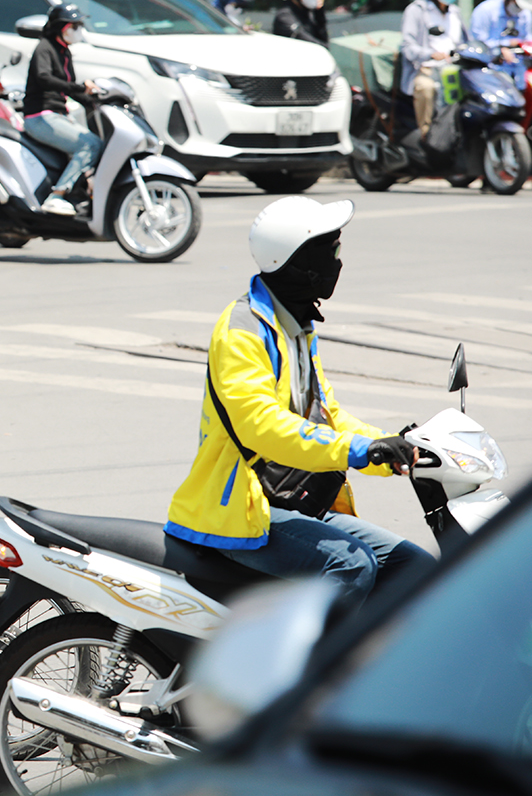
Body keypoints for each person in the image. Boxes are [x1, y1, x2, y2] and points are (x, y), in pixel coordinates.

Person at [165, 196, 435, 611]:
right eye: (331, 251)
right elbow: (263, 426)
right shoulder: (243, 329)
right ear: (297, 262)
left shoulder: (295, 325)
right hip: (243, 506)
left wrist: (390, 445)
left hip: (291, 497)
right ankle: (315, 675)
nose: (338, 262)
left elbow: (327, 416)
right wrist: (359, 450)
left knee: (413, 567)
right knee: (351, 566)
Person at [23, 3, 101, 217]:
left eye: (80, 25)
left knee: (95, 141)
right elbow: (45, 79)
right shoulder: (44, 48)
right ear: (61, 27)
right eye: (74, 25)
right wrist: (79, 87)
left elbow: (71, 87)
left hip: (58, 115)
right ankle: (57, 195)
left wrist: (94, 97)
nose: (78, 30)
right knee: (90, 144)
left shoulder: (64, 51)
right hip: (40, 116)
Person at [401, 0, 467, 140]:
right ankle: (426, 136)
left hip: (452, 69)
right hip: (427, 70)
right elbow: (407, 46)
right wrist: (429, 53)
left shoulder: (455, 13)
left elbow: (466, 43)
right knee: (426, 89)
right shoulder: (418, 11)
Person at [470, 0, 532, 64]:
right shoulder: (485, 10)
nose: (520, 10)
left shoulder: (526, 14)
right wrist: (500, 49)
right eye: (518, 6)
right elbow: (477, 45)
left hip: (519, 72)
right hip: (490, 70)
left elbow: (528, 40)